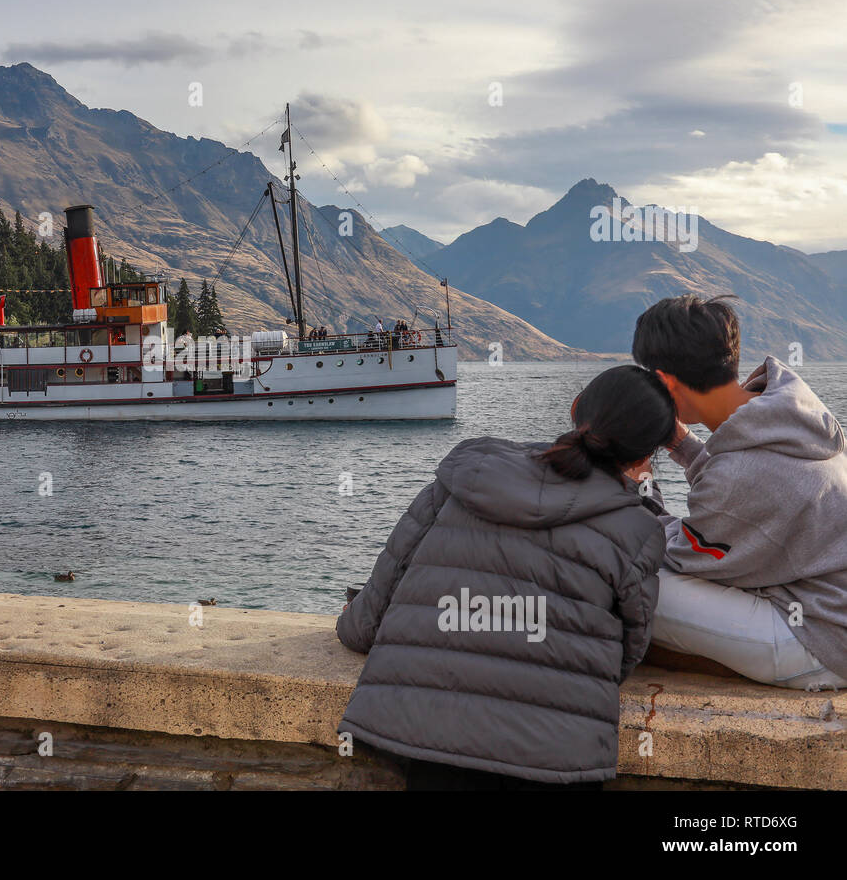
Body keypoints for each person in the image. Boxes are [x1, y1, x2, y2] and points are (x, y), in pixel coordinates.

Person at [336, 365, 675, 788]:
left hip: (430, 739)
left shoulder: (466, 475)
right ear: (646, 458)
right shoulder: (638, 529)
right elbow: (628, 651)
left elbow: (372, 614)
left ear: (574, 409)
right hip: (559, 757)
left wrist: (351, 618)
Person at [632, 295, 847, 689]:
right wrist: (682, 444)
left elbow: (676, 555)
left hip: (826, 640)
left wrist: (642, 491)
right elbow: (744, 497)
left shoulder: (738, 474)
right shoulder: (790, 410)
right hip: (828, 596)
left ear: (664, 381)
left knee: (628, 582)